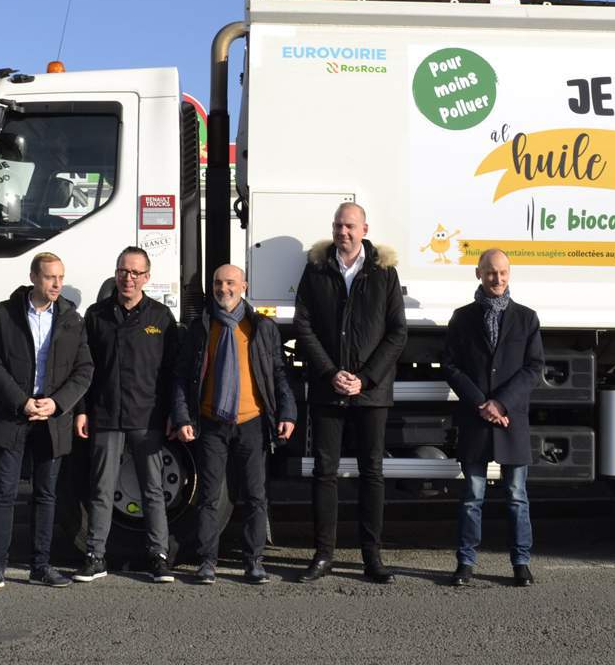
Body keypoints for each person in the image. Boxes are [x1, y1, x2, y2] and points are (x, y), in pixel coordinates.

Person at [293, 202, 407, 584]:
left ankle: (371, 557)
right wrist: (330, 373)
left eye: (351, 226)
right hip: (329, 389)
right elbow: (303, 325)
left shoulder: (384, 273)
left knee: (371, 472)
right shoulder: (316, 270)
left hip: (370, 393)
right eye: (339, 225)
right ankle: (323, 555)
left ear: (364, 229)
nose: (344, 232)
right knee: (324, 473)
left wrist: (366, 378)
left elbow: (397, 333)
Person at [173, 263, 297, 585]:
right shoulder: (201, 327)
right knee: (209, 496)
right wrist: (183, 416)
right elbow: (183, 377)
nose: (223, 289)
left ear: (243, 286)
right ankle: (207, 562)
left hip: (251, 423)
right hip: (212, 423)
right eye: (217, 283)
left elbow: (278, 373)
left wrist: (287, 412)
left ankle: (254, 561)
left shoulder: (261, 327)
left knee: (255, 496)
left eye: (230, 282)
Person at [0, 251, 93, 593]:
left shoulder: (72, 318)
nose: (57, 284)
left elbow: (84, 369)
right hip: (13, 417)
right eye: (49, 277)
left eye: (60, 276)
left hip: (50, 419)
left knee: (46, 495)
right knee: (5, 493)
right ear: (33, 277)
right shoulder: (5, 313)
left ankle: (40, 566)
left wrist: (56, 404)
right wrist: (21, 401)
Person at [74, 246, 180, 584]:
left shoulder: (161, 318)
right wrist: (81, 411)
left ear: (147, 277)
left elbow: (172, 372)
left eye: (135, 272)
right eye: (123, 271)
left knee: (153, 489)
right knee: (101, 489)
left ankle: (159, 557)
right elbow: (83, 369)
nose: (128, 278)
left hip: (147, 417)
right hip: (105, 415)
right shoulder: (96, 315)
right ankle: (95, 557)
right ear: (116, 273)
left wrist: (174, 415)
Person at [441, 248, 544, 588]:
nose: (496, 279)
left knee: (516, 496)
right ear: (478, 274)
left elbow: (533, 368)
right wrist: (481, 403)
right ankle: (466, 562)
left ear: (509, 274)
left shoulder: (527, 318)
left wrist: (500, 403)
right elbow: (451, 366)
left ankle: (521, 562)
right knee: (472, 497)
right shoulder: (462, 317)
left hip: (510, 418)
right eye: (490, 273)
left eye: (502, 273)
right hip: (475, 419)